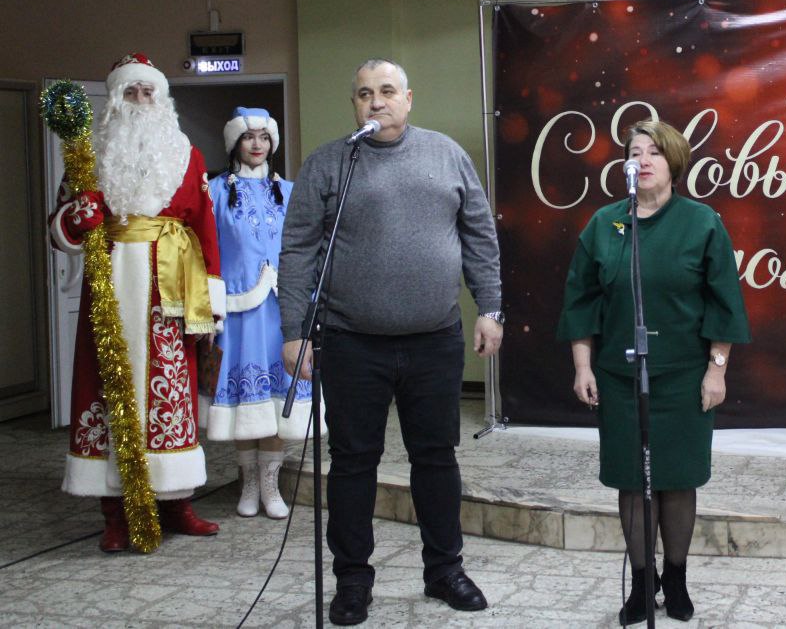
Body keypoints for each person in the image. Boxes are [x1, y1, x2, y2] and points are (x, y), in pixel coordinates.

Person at [278, 58, 504, 626]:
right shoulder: (330, 162)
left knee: (436, 457)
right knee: (353, 463)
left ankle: (444, 570)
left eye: (385, 91)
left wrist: (490, 307)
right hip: (350, 341)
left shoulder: (446, 154)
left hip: (435, 338)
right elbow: (298, 248)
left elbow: (479, 234)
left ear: (408, 98)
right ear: (354, 104)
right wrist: (294, 332)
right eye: (363, 93)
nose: (375, 102)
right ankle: (352, 580)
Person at [557, 119, 751, 625]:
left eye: (654, 152)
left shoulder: (702, 222)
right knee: (632, 480)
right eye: (634, 152)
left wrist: (717, 370)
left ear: (674, 162)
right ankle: (643, 585)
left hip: (684, 375)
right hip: (619, 376)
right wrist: (582, 366)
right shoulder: (605, 224)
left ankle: (677, 578)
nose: (642, 161)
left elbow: (724, 303)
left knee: (678, 478)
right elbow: (581, 300)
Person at [49, 52, 225, 552]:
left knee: (172, 391)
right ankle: (114, 513)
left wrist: (211, 299)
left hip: (170, 293)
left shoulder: (187, 154)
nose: (141, 100)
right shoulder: (88, 157)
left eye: (149, 91)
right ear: (115, 100)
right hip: (109, 288)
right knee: (106, 389)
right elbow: (60, 229)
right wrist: (77, 220)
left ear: (162, 99)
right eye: (131, 91)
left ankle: (176, 503)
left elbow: (205, 226)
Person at [205, 107, 318, 520]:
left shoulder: (290, 191)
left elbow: (306, 249)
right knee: (245, 403)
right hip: (237, 312)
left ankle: (270, 485)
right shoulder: (214, 192)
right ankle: (248, 484)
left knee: (275, 401)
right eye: (249, 136)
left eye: (264, 137)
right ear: (235, 142)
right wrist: (209, 308)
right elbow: (205, 253)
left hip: (280, 311)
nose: (257, 144)